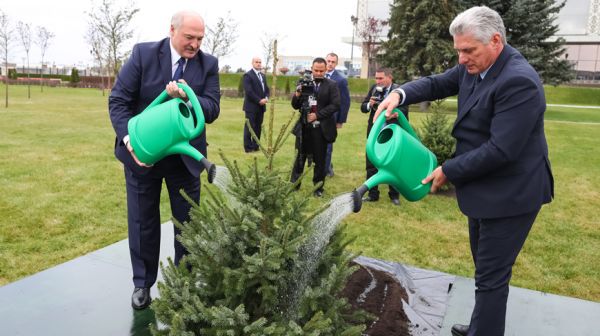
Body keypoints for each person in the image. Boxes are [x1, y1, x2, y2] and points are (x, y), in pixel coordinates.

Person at [375, 6, 553, 336]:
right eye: (458, 50)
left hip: (512, 193)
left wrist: (449, 170)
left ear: (496, 40)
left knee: (491, 275)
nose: (461, 59)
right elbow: (435, 84)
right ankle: (480, 325)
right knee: (486, 268)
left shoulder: (519, 82)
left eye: (467, 50)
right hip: (483, 187)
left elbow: (502, 150)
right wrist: (398, 94)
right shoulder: (474, 66)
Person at [108, 10, 220, 310]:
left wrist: (187, 95)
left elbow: (211, 107)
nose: (195, 45)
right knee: (143, 220)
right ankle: (142, 284)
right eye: (189, 38)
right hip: (143, 156)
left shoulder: (208, 64)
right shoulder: (144, 55)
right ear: (172, 30)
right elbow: (119, 100)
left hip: (185, 158)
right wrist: (131, 142)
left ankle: (185, 284)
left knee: (187, 223)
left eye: (199, 39)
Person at [291, 57, 340, 197]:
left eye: (321, 71)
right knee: (299, 158)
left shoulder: (332, 85)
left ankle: (318, 188)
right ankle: (294, 185)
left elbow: (335, 105)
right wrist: (297, 94)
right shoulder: (303, 82)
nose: (318, 73)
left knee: (320, 159)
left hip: (321, 129)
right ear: (311, 69)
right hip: (304, 128)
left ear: (326, 70)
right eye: (316, 70)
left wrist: (317, 115)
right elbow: (295, 105)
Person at [360, 68, 406, 205]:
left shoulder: (398, 91)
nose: (378, 81)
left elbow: (404, 110)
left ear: (390, 77)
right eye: (376, 78)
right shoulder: (374, 89)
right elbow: (363, 107)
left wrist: (394, 114)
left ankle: (394, 195)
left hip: (391, 134)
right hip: (374, 134)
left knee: (393, 164)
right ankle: (373, 194)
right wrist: (370, 104)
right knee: (371, 163)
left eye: (381, 78)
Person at [324, 52, 350, 177]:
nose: (330, 64)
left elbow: (345, 102)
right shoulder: (317, 75)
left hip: (331, 118)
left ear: (336, 63)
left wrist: (340, 120)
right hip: (316, 116)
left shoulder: (341, 80)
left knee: (328, 144)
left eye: (333, 62)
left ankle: (325, 171)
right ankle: (326, 166)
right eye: (328, 61)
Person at [242, 57, 270, 153]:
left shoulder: (263, 75)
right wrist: (259, 100)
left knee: (258, 127)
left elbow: (266, 89)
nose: (258, 64)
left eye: (260, 62)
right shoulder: (248, 75)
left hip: (261, 107)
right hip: (251, 107)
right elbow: (249, 91)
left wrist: (266, 98)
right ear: (252, 63)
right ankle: (248, 148)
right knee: (249, 127)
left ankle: (256, 146)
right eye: (256, 62)